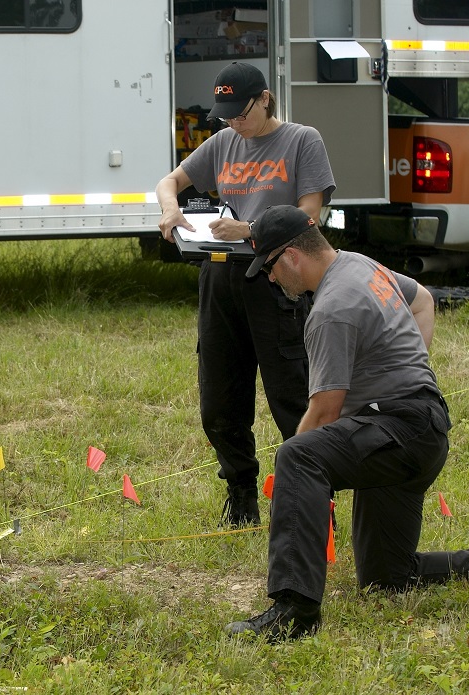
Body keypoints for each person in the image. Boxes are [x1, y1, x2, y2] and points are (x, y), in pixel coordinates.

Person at [226, 205, 469, 642]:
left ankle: (295, 611)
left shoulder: (331, 308)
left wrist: (294, 486)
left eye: (270, 267)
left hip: (400, 432)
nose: (271, 279)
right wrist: (407, 368)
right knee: (387, 578)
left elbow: (325, 411)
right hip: (421, 428)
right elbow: (422, 299)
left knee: (297, 455)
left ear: (292, 255)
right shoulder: (359, 265)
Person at [155, 62, 335, 527]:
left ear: (266, 99)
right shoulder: (223, 143)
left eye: (242, 112)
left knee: (291, 396)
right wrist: (172, 210)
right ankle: (241, 496)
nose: (234, 122)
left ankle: (315, 499)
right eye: (227, 114)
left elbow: (308, 218)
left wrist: (251, 229)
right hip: (221, 277)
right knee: (219, 399)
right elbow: (169, 180)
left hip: (278, 276)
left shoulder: (302, 140)